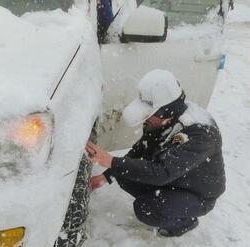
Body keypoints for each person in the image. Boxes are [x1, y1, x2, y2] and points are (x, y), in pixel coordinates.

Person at [86, 69, 226, 237]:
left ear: (166, 110)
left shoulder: (201, 133)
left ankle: (184, 222)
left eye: (150, 114)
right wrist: (106, 176)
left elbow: (163, 172)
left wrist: (112, 162)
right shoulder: (161, 121)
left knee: (145, 209)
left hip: (197, 194)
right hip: (175, 179)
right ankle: (162, 201)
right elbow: (140, 151)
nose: (146, 118)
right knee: (125, 173)